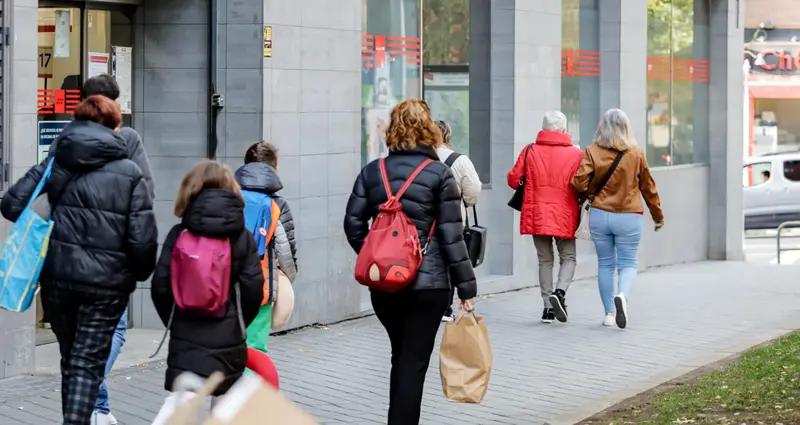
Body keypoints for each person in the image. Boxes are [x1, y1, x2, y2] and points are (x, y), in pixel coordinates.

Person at [1, 95, 158, 425]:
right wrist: (137, 273)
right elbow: (143, 239)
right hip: (106, 287)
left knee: (72, 360)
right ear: (116, 127)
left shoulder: (58, 160)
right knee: (85, 362)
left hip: (59, 280)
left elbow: (11, 205)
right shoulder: (129, 172)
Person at [344, 99, 477, 425]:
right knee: (412, 362)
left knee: (400, 356)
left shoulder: (372, 172)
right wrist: (467, 289)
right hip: (428, 286)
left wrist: (378, 254)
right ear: (428, 129)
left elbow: (352, 224)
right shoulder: (440, 175)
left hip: (385, 285)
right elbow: (451, 236)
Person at [150, 160, 264, 409]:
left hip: (186, 333)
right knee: (224, 403)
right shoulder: (242, 238)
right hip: (228, 334)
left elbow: (160, 286)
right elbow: (253, 288)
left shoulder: (178, 233)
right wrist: (238, 320)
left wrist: (176, 318)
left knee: (184, 400)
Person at [571, 109, 664, 329]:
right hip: (629, 215)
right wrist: (657, 216)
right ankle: (622, 295)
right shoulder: (636, 153)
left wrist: (590, 193)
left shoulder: (592, 151)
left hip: (600, 214)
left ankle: (609, 314)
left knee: (605, 264)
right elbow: (648, 188)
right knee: (628, 263)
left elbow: (578, 183)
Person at [507, 111, 583, 324]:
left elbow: (513, 180)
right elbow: (582, 185)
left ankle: (547, 309)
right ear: (564, 130)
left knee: (545, 260)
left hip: (537, 212)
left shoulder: (530, 150)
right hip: (565, 214)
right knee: (568, 257)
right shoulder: (576, 154)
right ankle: (559, 293)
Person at [234, 141, 298, 356]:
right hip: (260, 289)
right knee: (254, 351)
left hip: (225, 287)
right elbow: (286, 252)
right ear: (275, 169)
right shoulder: (276, 204)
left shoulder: (228, 198)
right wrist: (288, 281)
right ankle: (250, 388)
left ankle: (227, 388)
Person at [435, 120, 482, 322]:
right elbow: (473, 191)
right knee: (452, 261)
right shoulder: (460, 161)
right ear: (447, 136)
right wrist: (465, 202)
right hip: (454, 221)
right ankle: (445, 308)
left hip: (423, 223)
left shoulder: (419, 159)